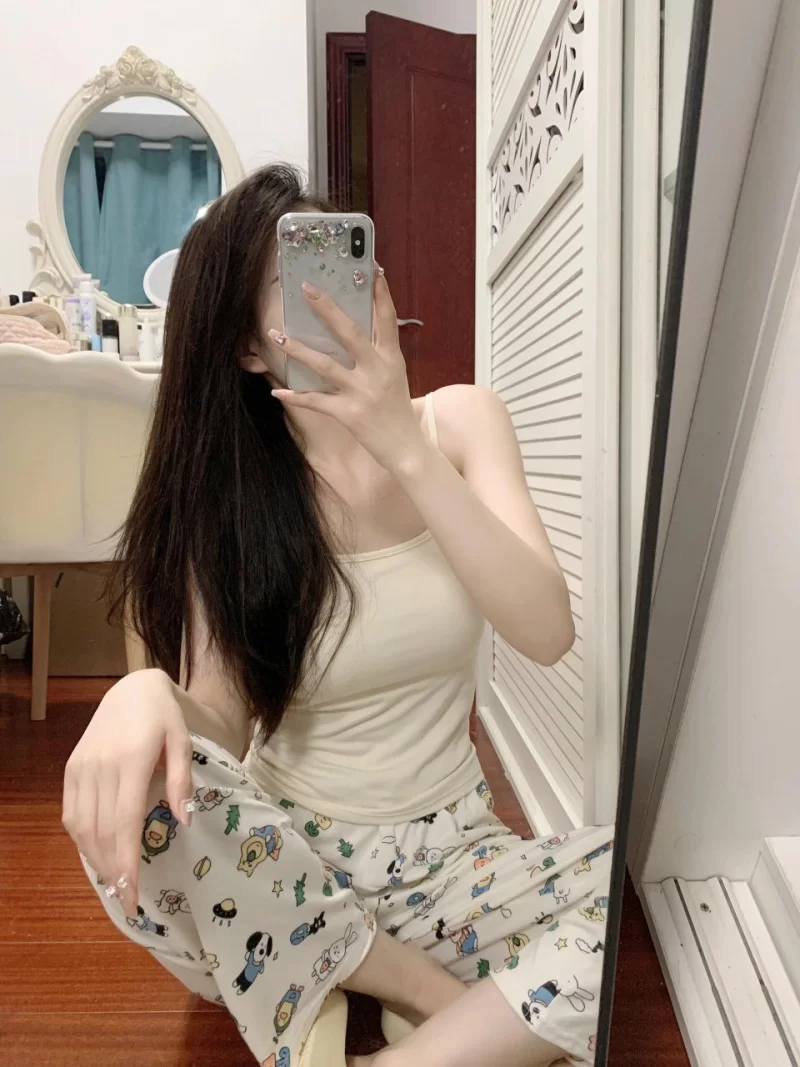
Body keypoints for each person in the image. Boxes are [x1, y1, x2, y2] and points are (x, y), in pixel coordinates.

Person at [62, 164, 613, 1067]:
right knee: (146, 789)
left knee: (640, 893)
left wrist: (401, 444)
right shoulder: (233, 499)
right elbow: (219, 724)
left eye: (349, 264)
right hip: (287, 862)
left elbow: (547, 631)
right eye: (298, 284)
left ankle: (351, 1008)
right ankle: (424, 991)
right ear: (249, 350)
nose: (338, 298)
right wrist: (141, 695)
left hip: (454, 858)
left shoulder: (462, 424)